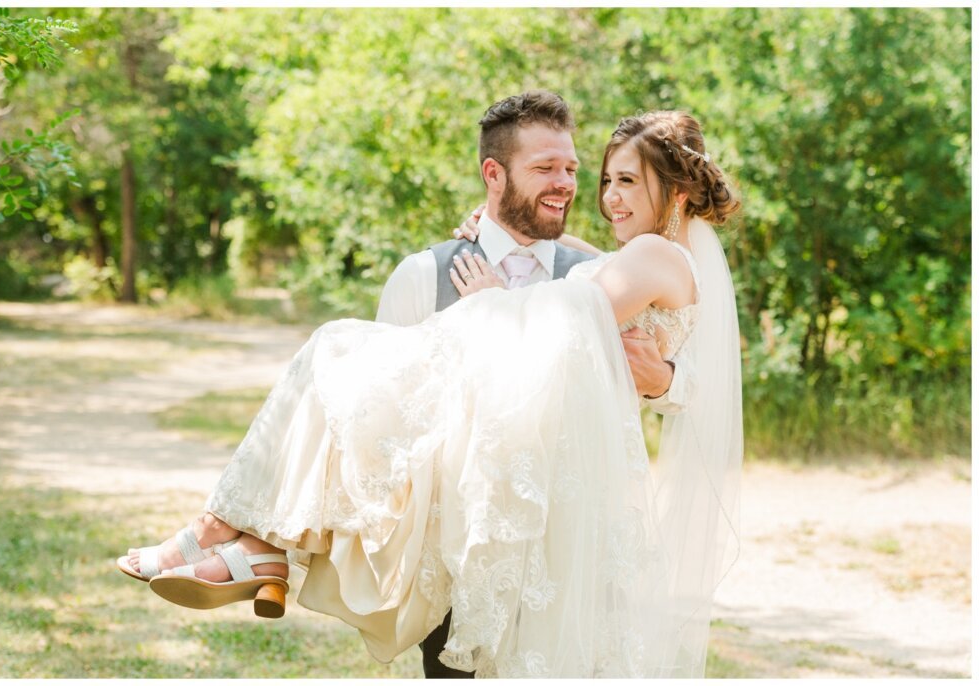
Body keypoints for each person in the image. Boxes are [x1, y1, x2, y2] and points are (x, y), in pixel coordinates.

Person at [117, 97, 742, 678]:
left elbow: (571, 321)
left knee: (333, 349)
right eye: (603, 179)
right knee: (342, 375)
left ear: (677, 192)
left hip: (558, 515)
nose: (602, 196)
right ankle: (250, 541)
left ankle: (236, 539)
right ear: (494, 175)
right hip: (462, 523)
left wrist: (505, 304)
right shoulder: (469, 267)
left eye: (620, 179)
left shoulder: (640, 261)